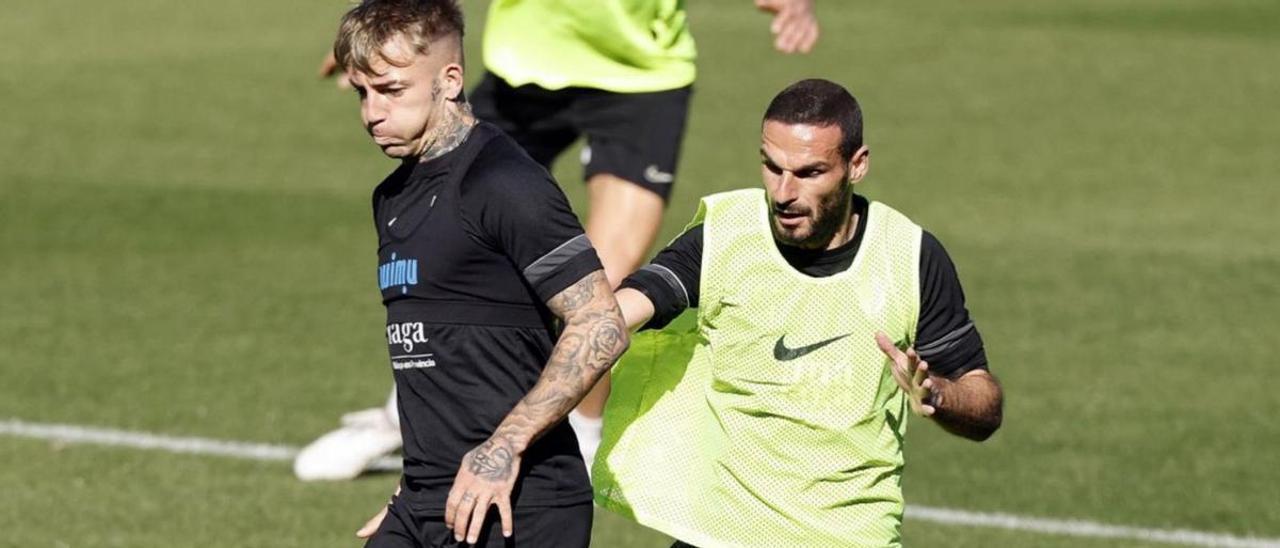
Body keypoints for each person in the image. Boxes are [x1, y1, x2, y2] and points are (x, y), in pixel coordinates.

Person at [298, 0, 822, 482]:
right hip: (524, 64)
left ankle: (584, 438)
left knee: (602, 283)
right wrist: (386, 43)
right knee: (444, 250)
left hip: (639, 73)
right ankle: (403, 422)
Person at [591, 79, 1004, 547]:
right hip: (723, 537)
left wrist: (938, 394)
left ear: (857, 165)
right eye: (772, 167)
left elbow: (985, 404)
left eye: (809, 173)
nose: (784, 192)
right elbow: (615, 314)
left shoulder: (908, 256)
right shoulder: (727, 235)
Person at [327, 1, 630, 546]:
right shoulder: (392, 197)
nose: (372, 112)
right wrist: (409, 499)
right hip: (426, 502)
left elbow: (600, 322)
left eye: (391, 90)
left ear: (450, 79)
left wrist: (502, 448)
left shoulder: (504, 183)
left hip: (518, 505)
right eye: (362, 93)